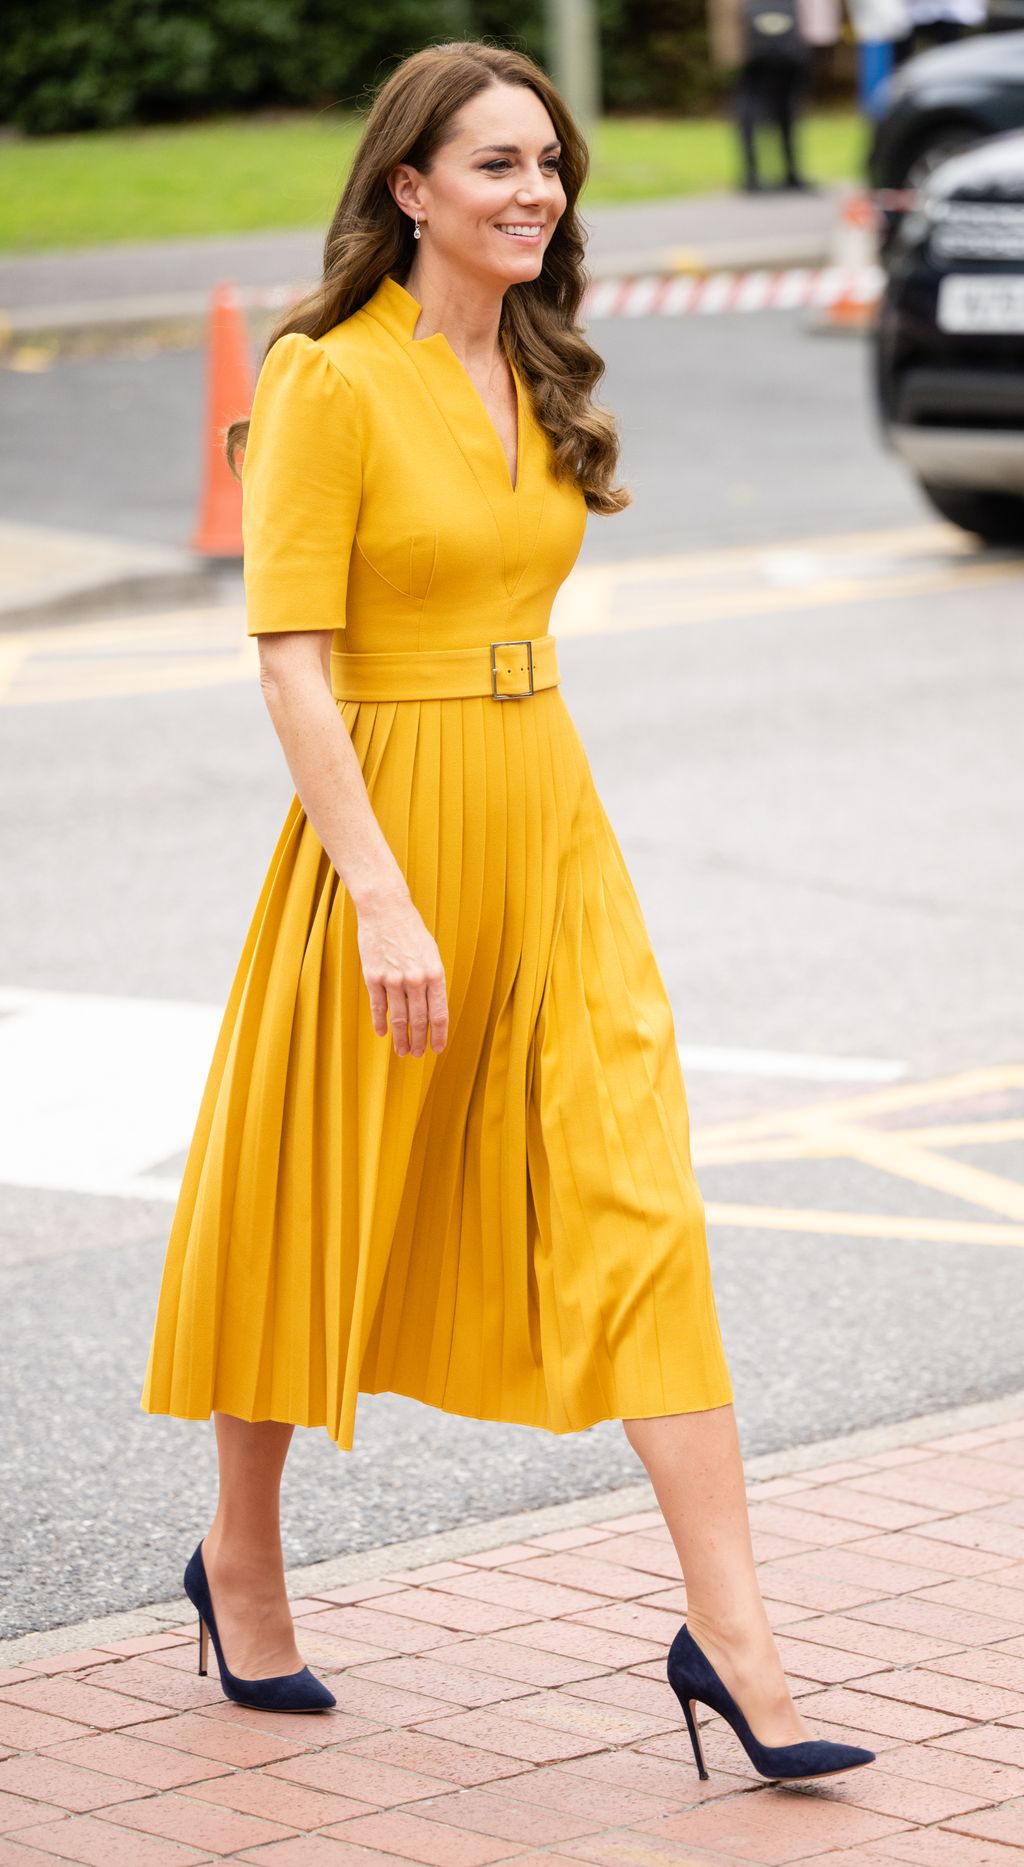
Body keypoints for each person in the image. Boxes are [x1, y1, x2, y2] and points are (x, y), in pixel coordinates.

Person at [139, 39, 876, 1783]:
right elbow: (292, 671)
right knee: (313, 1195)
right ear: (408, 189)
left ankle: (735, 1638)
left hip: (547, 823)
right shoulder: (325, 377)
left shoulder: (537, 366)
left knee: (637, 1207)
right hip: (380, 839)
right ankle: (240, 1554)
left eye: (546, 164)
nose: (532, 192)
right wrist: (382, 900)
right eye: (492, 165)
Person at [710, 0, 837, 190]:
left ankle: (760, 174)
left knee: (771, 102)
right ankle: (775, 173)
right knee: (774, 102)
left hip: (758, 37)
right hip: (784, 37)